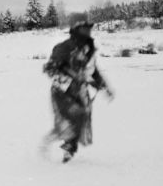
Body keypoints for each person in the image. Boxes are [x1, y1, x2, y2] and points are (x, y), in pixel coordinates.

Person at [42, 21, 114, 163]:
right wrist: (67, 74)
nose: (88, 31)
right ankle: (52, 145)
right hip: (62, 92)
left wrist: (103, 87)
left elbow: (93, 71)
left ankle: (69, 149)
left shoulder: (88, 48)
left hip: (79, 91)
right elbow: (50, 68)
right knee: (73, 117)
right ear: (76, 29)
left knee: (81, 119)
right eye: (84, 28)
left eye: (89, 28)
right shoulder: (64, 47)